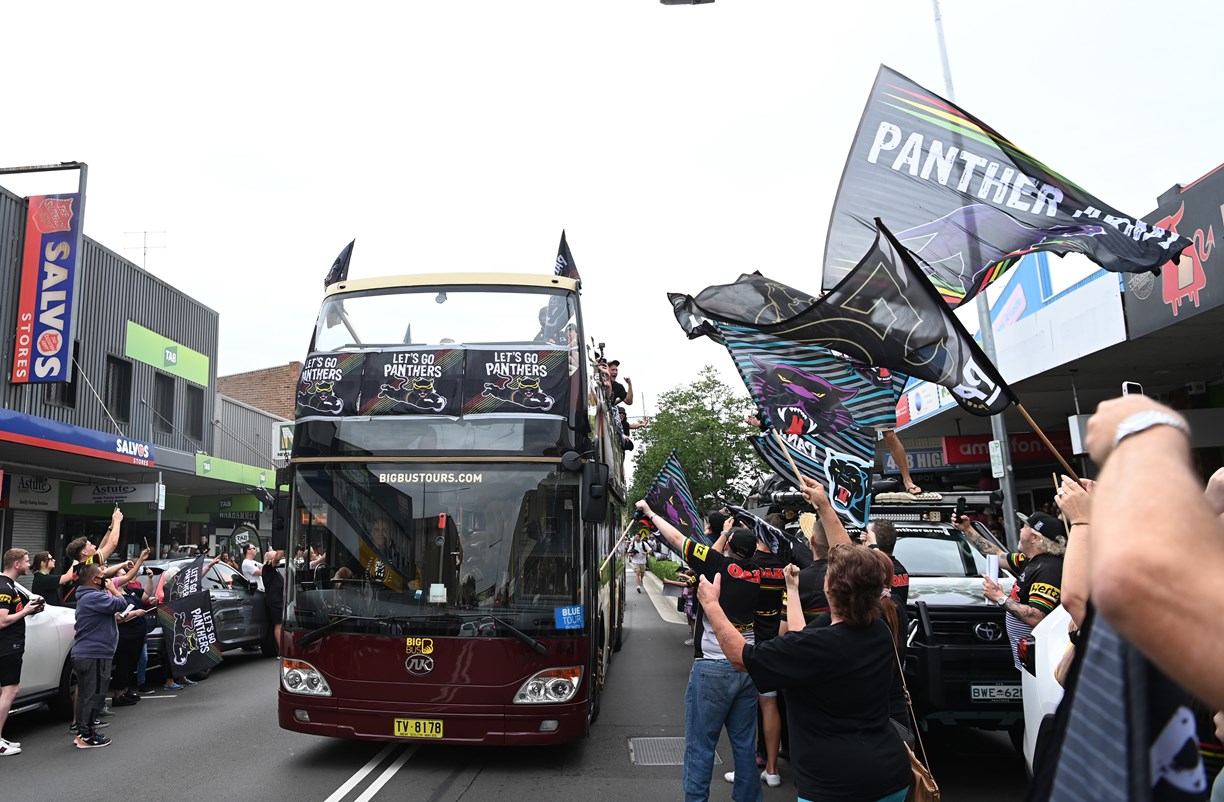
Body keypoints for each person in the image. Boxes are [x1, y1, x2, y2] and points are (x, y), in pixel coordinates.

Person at [699, 542, 912, 802]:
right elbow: (803, 637)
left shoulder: (815, 647)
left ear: (830, 586)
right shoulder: (879, 630)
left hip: (835, 786)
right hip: (892, 778)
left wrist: (711, 604)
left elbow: (741, 657)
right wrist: (791, 588)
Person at [636, 498, 763, 802]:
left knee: (700, 746)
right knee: (745, 743)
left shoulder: (717, 565)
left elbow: (678, 540)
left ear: (728, 545)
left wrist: (652, 514)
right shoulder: (763, 574)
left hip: (712, 667)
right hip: (748, 666)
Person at [956, 507, 1065, 670]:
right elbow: (997, 555)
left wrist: (1000, 597)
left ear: (1034, 538)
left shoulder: (1048, 570)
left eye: (1025, 526)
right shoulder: (1032, 560)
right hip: (1029, 658)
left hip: (1040, 663)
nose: (1021, 529)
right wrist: (967, 529)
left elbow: (1037, 617)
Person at [71, 564, 150, 749]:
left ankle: (84, 731)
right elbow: (121, 603)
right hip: (94, 653)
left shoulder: (88, 598)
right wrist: (114, 589)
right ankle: (86, 735)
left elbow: (114, 614)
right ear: (94, 580)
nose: (105, 580)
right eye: (101, 576)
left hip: (89, 652)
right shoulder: (93, 596)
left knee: (86, 694)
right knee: (95, 694)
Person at [0, 549, 46, 755]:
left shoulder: (10, 586)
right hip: (8, 646)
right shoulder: (4, 587)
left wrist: (27, 609)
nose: (29, 565)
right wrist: (27, 611)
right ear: (16, 564)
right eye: (27, 562)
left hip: (11, 645)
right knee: (10, 691)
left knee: (7, 691)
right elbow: (1, 620)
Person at [262, 549, 285, 655]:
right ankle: (282, 650)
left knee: (280, 624)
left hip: (279, 599)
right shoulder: (267, 567)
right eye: (274, 555)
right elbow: (278, 557)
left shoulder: (274, 569)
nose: (277, 557)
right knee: (278, 625)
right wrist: (281, 543)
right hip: (275, 600)